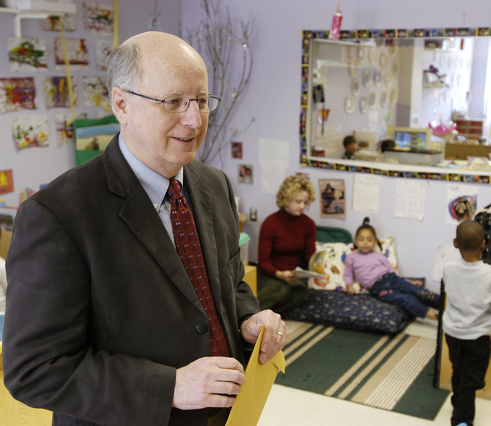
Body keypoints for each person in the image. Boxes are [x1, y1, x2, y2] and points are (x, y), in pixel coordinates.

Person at [2, 31, 287, 426]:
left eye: (202, 101)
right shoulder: (56, 216)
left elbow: (229, 285)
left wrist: (246, 319)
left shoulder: (214, 185)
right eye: (173, 102)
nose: (194, 119)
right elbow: (35, 370)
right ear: (121, 103)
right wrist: (169, 387)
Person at [442, 219, 491, 426]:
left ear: (456, 243)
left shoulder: (448, 268)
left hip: (452, 332)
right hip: (477, 337)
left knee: (459, 369)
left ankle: (457, 401)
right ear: (484, 244)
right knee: (470, 381)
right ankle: (461, 420)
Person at [343, 217, 439, 319]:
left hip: (391, 279)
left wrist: (408, 282)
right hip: (378, 288)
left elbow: (392, 272)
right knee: (407, 299)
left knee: (418, 291)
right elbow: (348, 274)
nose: (365, 243)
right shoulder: (352, 257)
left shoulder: (378, 255)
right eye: (361, 239)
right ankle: (437, 316)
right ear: (356, 241)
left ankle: (445, 303)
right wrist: (349, 286)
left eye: (369, 239)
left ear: (375, 242)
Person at [258, 175, 316, 313]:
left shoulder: (308, 224)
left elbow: (309, 256)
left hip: (293, 275)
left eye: (305, 202)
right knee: (280, 291)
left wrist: (315, 267)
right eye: (298, 201)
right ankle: (245, 317)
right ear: (286, 198)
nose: (302, 206)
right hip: (270, 273)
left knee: (301, 293)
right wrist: (279, 274)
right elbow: (263, 261)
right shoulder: (270, 223)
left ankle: (267, 314)